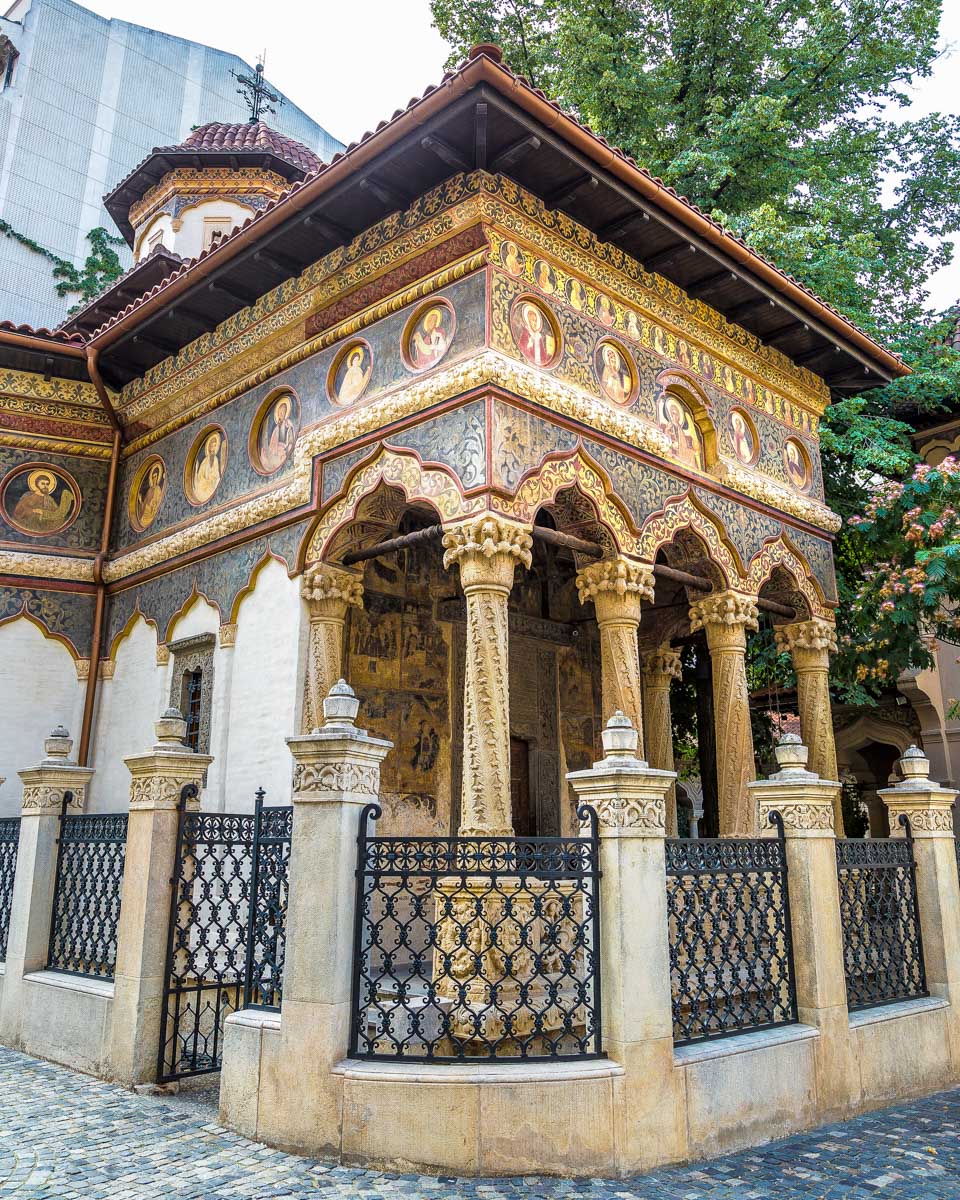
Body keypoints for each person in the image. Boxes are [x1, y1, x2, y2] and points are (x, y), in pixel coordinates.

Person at [514, 302, 556, 367]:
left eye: (536, 320)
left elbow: (543, 357)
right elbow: (522, 348)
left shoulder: (538, 337)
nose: (535, 323)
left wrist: (548, 354)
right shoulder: (526, 333)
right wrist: (529, 345)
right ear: (528, 321)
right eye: (533, 320)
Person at [264, 397, 296, 468]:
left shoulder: (288, 425)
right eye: (279, 412)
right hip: (276, 449)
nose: (281, 414)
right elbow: (273, 441)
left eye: (283, 412)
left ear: (286, 413)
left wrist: (289, 446)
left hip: (284, 448)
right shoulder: (276, 427)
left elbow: (290, 439)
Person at [193, 432, 223, 502]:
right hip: (204, 483)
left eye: (215, 446)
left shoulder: (215, 459)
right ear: (208, 446)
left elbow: (216, 474)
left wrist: (211, 478)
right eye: (211, 445)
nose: (213, 447)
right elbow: (200, 474)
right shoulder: (205, 460)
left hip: (212, 482)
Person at [137, 462, 165, 528]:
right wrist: (141, 501)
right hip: (147, 510)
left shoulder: (158, 489)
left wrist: (153, 504)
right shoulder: (149, 490)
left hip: (152, 511)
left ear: (158, 476)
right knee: (141, 520)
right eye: (153, 476)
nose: (154, 478)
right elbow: (145, 503)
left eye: (155, 476)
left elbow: (158, 500)